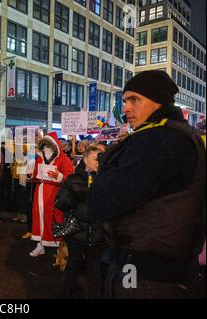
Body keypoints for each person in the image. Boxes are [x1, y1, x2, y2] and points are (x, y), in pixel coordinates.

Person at [87, 70, 206, 299]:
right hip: (167, 268)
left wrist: (104, 167)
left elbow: (101, 203)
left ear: (158, 101)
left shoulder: (156, 141)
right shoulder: (182, 135)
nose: (125, 109)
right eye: (124, 101)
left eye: (134, 100)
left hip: (143, 272)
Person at [56, 146, 107, 298]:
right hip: (77, 231)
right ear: (85, 159)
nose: (98, 163)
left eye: (101, 159)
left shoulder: (107, 179)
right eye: (94, 159)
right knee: (73, 264)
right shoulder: (73, 179)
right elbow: (61, 204)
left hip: (99, 232)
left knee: (94, 268)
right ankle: (66, 293)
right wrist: (77, 195)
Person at [29, 131, 74, 257]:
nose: (46, 149)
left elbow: (70, 177)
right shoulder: (39, 158)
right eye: (44, 146)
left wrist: (59, 176)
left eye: (48, 146)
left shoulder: (63, 159)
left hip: (55, 193)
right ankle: (40, 244)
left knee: (55, 218)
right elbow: (35, 175)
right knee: (39, 217)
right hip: (40, 191)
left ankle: (58, 247)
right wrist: (31, 176)